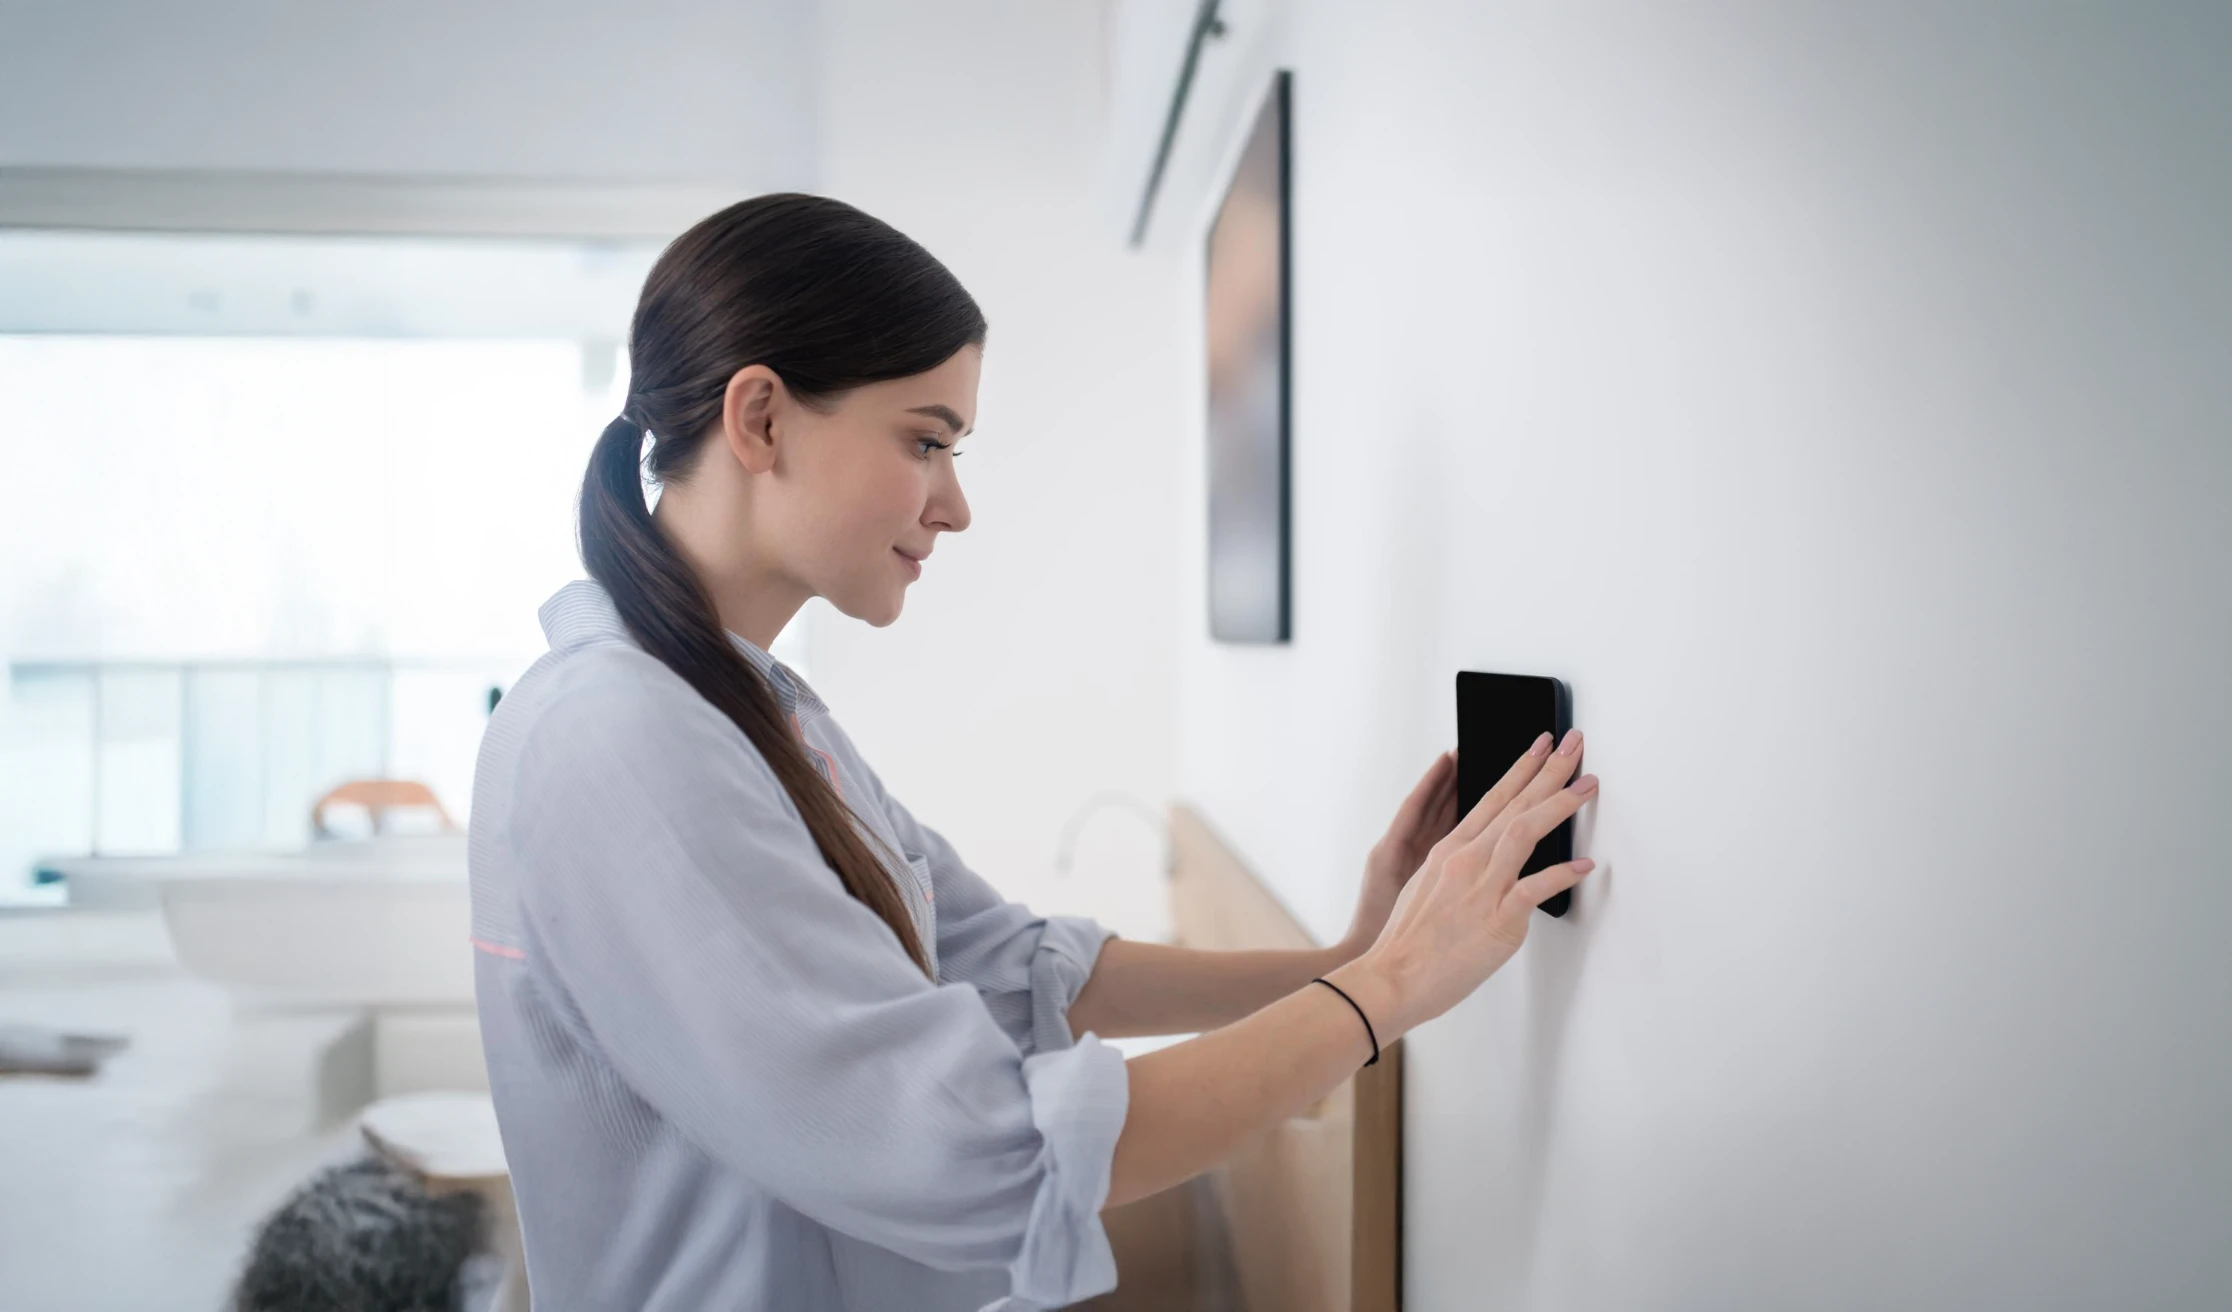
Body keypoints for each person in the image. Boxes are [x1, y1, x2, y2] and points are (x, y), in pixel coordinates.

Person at [466, 192, 1599, 1311]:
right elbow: (982, 1148)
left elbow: (1009, 959)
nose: (954, 506)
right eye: (926, 441)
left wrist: (1348, 954)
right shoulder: (617, 742)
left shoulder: (756, 710)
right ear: (760, 418)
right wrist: (1388, 987)